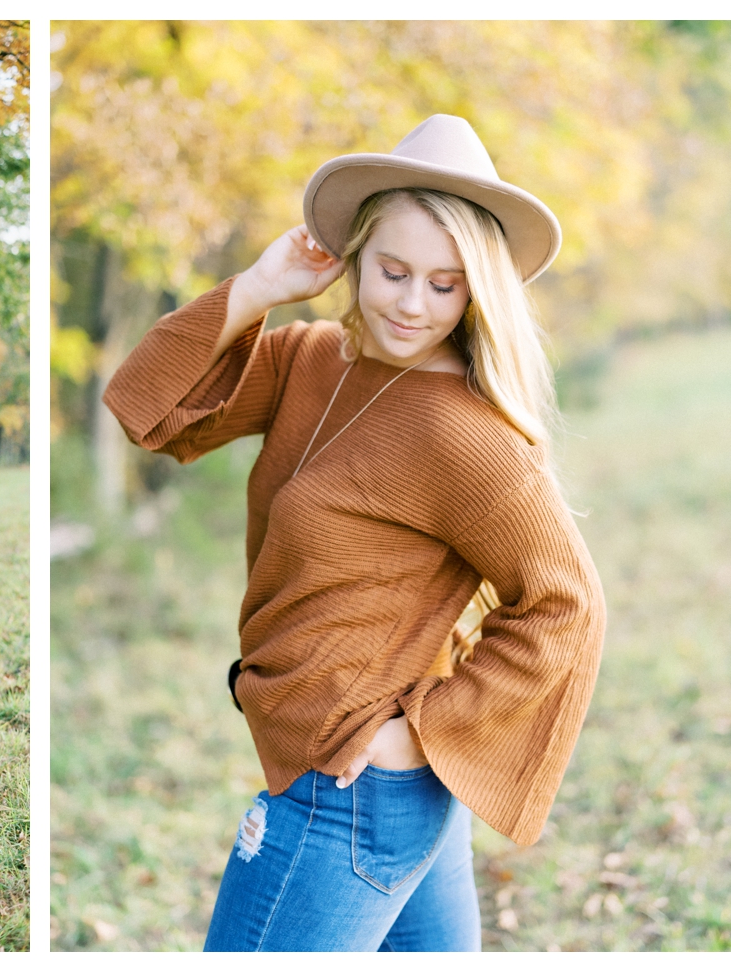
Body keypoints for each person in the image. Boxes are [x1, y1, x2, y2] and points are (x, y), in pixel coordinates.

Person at [102, 115, 606, 951]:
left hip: (350, 789)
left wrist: (423, 736)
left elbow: (568, 604)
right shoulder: (311, 359)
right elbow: (150, 408)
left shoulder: (467, 436)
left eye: (445, 284)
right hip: (362, 783)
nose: (413, 303)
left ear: (478, 290)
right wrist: (260, 287)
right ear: (356, 257)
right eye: (394, 270)